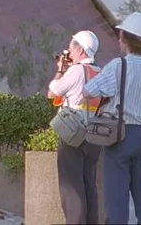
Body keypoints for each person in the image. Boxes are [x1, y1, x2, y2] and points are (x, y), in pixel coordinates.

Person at [82, 12, 141, 224]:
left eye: (120, 36)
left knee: (116, 199)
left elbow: (88, 91)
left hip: (119, 135)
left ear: (127, 39)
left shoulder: (118, 66)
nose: (119, 40)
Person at [47, 30, 103, 224]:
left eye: (71, 47)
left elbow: (52, 93)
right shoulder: (99, 71)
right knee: (89, 184)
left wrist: (61, 69)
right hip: (95, 134)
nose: (68, 51)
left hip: (73, 132)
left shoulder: (77, 70)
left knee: (71, 186)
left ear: (80, 50)